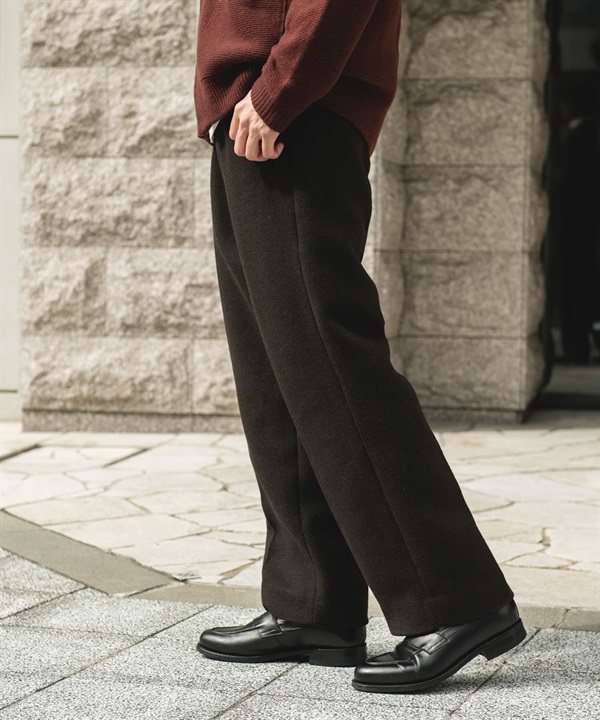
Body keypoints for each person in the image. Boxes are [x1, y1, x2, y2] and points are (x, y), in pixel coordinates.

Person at [192, 0, 525, 694]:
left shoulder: (284, 96)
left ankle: (455, 599)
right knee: (276, 370)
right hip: (251, 107)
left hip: (291, 109)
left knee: (332, 365)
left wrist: (281, 89)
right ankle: (311, 603)